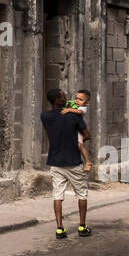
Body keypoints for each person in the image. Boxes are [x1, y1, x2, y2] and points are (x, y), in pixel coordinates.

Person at [40, 88, 92, 240]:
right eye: (63, 96)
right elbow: (87, 135)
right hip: (74, 161)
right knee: (81, 194)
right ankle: (82, 226)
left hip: (56, 162)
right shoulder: (72, 116)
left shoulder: (44, 116)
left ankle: (60, 229)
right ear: (58, 100)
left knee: (58, 195)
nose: (66, 97)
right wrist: (78, 140)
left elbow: (51, 130)